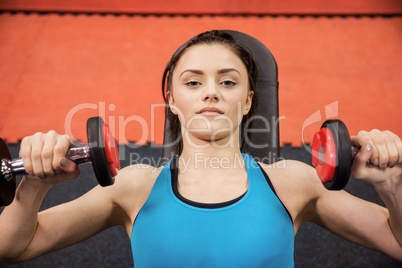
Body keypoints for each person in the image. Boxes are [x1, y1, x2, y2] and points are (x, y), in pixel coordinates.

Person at [0, 30, 401, 267]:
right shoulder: (133, 186)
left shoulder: (294, 182)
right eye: (193, 82)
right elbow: (14, 246)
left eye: (228, 82)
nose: (211, 91)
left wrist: (392, 185)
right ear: (172, 99)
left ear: (247, 101)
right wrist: (34, 184)